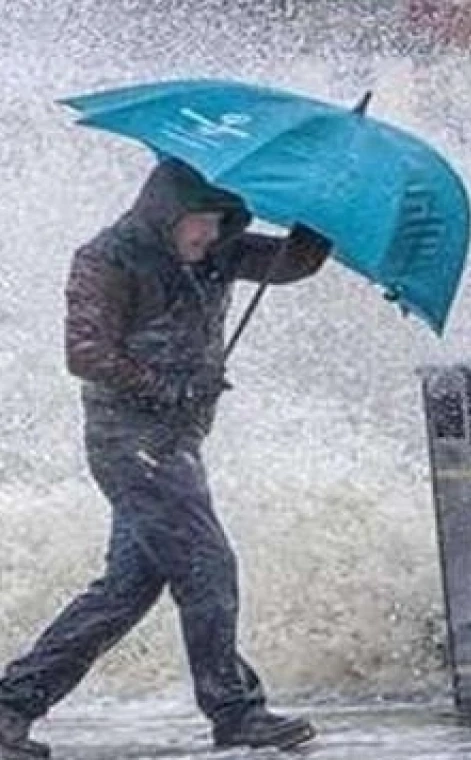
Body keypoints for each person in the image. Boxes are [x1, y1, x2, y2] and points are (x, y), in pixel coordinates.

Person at [0, 158, 330, 759]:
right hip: (129, 442)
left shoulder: (220, 251)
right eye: (198, 221)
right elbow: (85, 353)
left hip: (175, 443)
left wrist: (321, 214)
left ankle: (10, 706)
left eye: (219, 221)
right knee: (209, 567)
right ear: (165, 213)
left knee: (125, 590)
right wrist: (162, 387)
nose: (208, 235)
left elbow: (293, 263)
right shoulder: (107, 258)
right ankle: (235, 713)